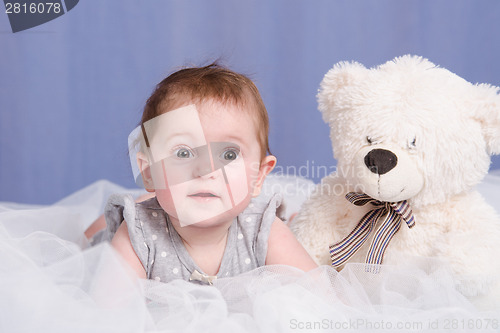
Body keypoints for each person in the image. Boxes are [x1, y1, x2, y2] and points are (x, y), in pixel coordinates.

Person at [89, 63, 317, 284]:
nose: (206, 170)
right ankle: (104, 223)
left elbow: (319, 293)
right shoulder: (138, 232)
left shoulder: (262, 229)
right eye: (183, 152)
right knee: (91, 239)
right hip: (132, 226)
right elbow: (111, 314)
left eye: (228, 155)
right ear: (149, 172)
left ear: (258, 176)